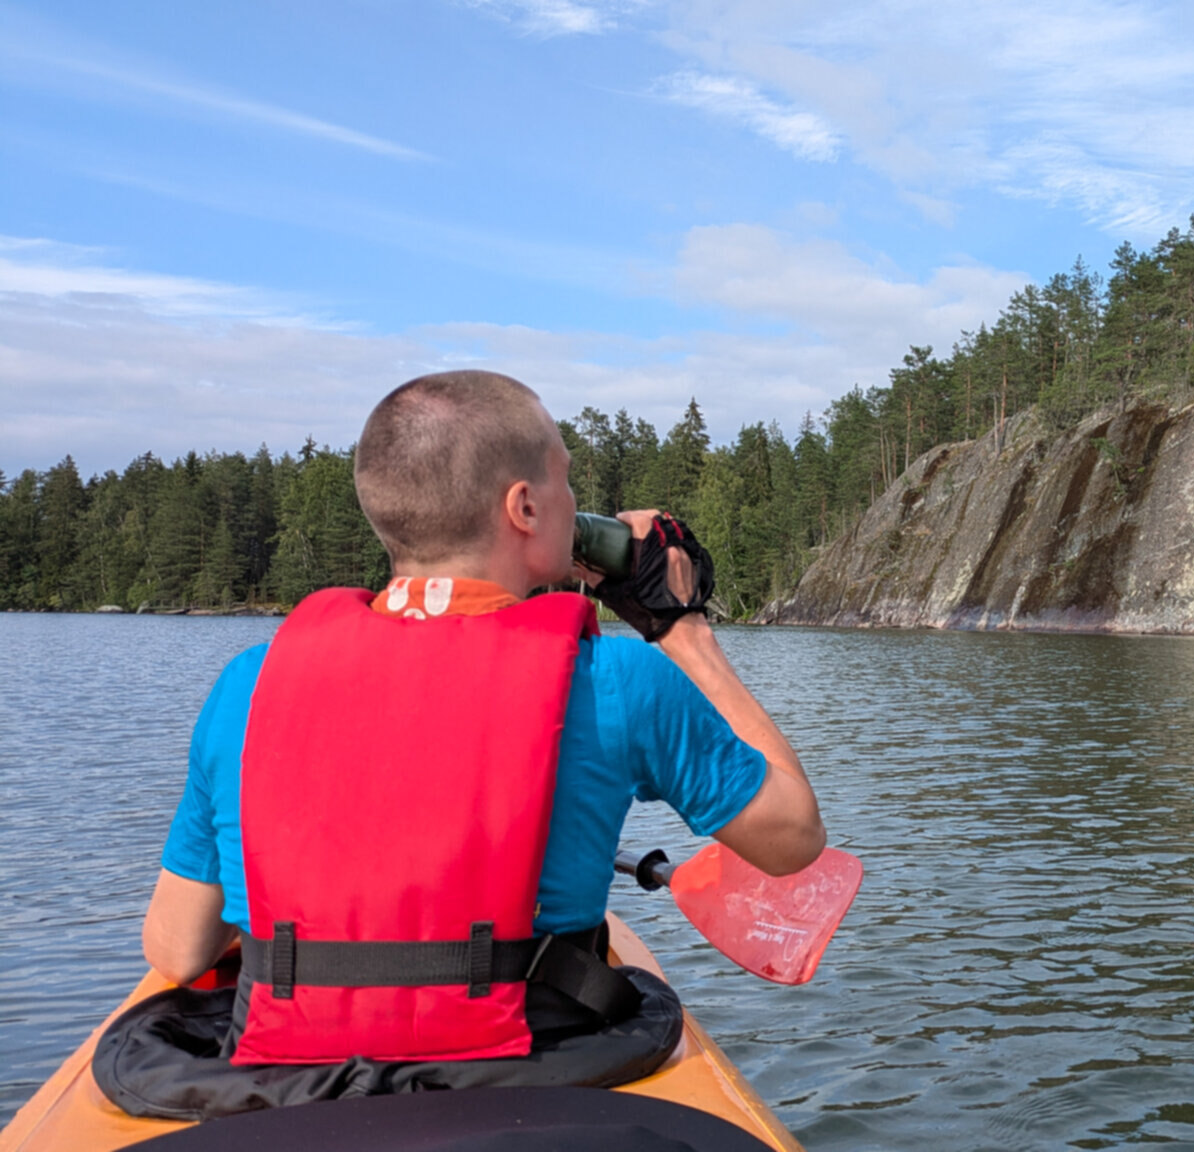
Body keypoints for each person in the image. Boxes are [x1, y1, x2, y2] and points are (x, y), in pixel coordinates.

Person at [103, 370, 823, 1115]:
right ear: (526, 507)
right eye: (567, 480)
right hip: (533, 1078)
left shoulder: (248, 686)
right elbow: (793, 838)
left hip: (293, 1082)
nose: (577, 502)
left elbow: (178, 950)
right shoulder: (619, 680)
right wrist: (683, 629)